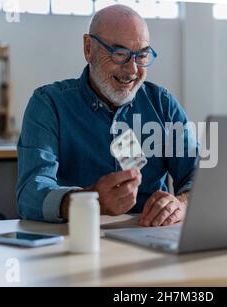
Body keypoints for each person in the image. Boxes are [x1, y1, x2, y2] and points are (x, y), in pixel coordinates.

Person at [16, 5, 198, 227]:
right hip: (74, 242)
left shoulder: (162, 105)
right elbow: (29, 195)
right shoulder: (49, 105)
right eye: (119, 54)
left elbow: (200, 176)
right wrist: (90, 201)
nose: (132, 70)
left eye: (141, 56)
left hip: (150, 240)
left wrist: (181, 204)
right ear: (88, 48)